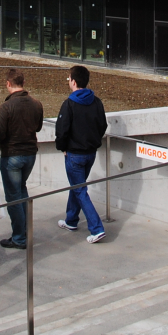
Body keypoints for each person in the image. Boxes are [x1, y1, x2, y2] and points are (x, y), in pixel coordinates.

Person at [54, 65, 108, 244]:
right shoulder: (97, 102)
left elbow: (62, 131)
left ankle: (97, 228)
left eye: (68, 78)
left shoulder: (69, 104)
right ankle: (71, 220)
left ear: (74, 81)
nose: (68, 81)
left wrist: (62, 148)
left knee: (80, 190)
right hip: (90, 153)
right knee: (77, 187)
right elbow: (103, 126)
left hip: (74, 155)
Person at [0, 69, 43, 250]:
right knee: (21, 191)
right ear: (23, 82)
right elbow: (38, 127)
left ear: (8, 83)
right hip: (30, 154)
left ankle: (20, 237)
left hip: (12, 155)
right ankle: (25, 231)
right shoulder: (36, 104)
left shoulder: (6, 107)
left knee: (14, 196)